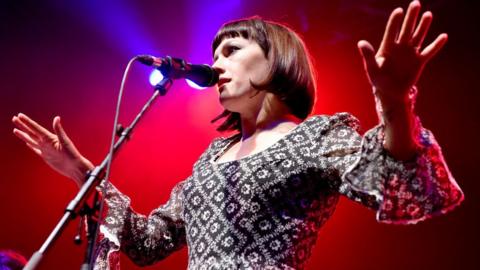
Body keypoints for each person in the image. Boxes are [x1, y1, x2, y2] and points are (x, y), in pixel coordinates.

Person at [12, 1, 463, 269]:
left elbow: (398, 183)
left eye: (232, 50)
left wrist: (394, 101)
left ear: (277, 60)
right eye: (214, 52)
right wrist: (82, 172)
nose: (217, 63)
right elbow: (149, 241)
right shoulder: (210, 159)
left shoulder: (316, 137)